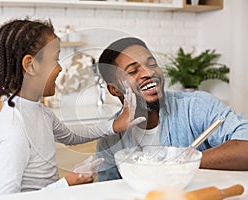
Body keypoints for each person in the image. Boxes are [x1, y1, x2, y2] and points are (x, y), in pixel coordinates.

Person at [0, 20, 145, 195]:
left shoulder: (40, 112)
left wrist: (114, 125)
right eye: (55, 59)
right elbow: (3, 197)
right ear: (31, 65)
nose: (60, 68)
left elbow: (71, 136)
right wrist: (67, 183)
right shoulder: (14, 129)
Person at [95, 37, 248, 182]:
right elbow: (109, 188)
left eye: (152, 64)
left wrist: (185, 162)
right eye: (133, 71)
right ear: (114, 90)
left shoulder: (196, 106)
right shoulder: (110, 138)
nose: (149, 73)